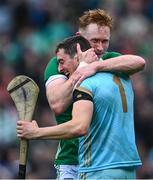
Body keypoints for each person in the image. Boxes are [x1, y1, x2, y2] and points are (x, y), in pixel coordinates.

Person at [17, 35, 142, 179]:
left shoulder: (85, 83)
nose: (59, 68)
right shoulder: (122, 75)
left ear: (78, 54)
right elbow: (139, 62)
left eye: (62, 62)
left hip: (98, 169)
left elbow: (79, 126)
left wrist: (35, 132)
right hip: (128, 168)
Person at [43, 9, 145, 179]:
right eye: (94, 41)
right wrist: (81, 68)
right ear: (79, 38)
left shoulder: (109, 59)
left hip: (102, 161)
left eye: (105, 41)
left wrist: (96, 66)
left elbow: (139, 62)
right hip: (72, 159)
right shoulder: (60, 63)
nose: (99, 48)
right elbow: (57, 104)